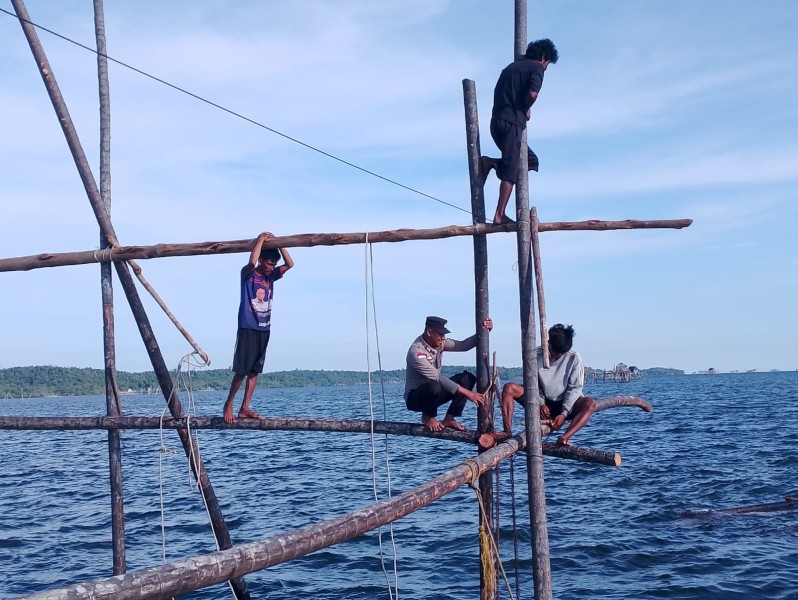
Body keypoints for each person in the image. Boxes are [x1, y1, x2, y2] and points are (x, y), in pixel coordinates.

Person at [480, 38, 559, 225]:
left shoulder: (509, 68)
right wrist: (526, 107)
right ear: (543, 58)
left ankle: (491, 163)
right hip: (512, 123)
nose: (546, 68)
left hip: (497, 122)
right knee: (511, 170)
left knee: (530, 160)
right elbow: (532, 94)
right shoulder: (537, 68)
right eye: (547, 64)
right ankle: (499, 214)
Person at [223, 231, 294, 423]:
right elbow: (252, 262)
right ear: (262, 260)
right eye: (269, 263)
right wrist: (261, 240)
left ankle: (245, 406)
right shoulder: (248, 274)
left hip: (264, 328)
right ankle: (229, 403)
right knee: (242, 370)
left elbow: (290, 264)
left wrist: (279, 243)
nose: (272, 267)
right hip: (248, 326)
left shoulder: (271, 278)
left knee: (254, 371)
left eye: (273, 264)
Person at [499, 324, 596, 446]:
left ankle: (564, 437)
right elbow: (533, 385)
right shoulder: (535, 355)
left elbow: (574, 389)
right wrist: (540, 403)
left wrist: (564, 413)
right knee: (509, 388)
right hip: (540, 401)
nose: (558, 356)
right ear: (548, 343)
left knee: (590, 403)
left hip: (566, 403)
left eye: (562, 353)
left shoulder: (574, 358)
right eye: (556, 352)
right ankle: (507, 431)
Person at [404, 315, 493, 432]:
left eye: (444, 335)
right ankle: (427, 417)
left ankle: (450, 418)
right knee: (434, 384)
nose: (443, 338)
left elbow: (464, 345)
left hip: (434, 393)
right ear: (429, 332)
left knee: (468, 378)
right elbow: (437, 377)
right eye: (440, 335)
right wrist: (468, 394)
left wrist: (485, 331)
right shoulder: (416, 352)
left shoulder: (440, 343)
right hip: (415, 398)